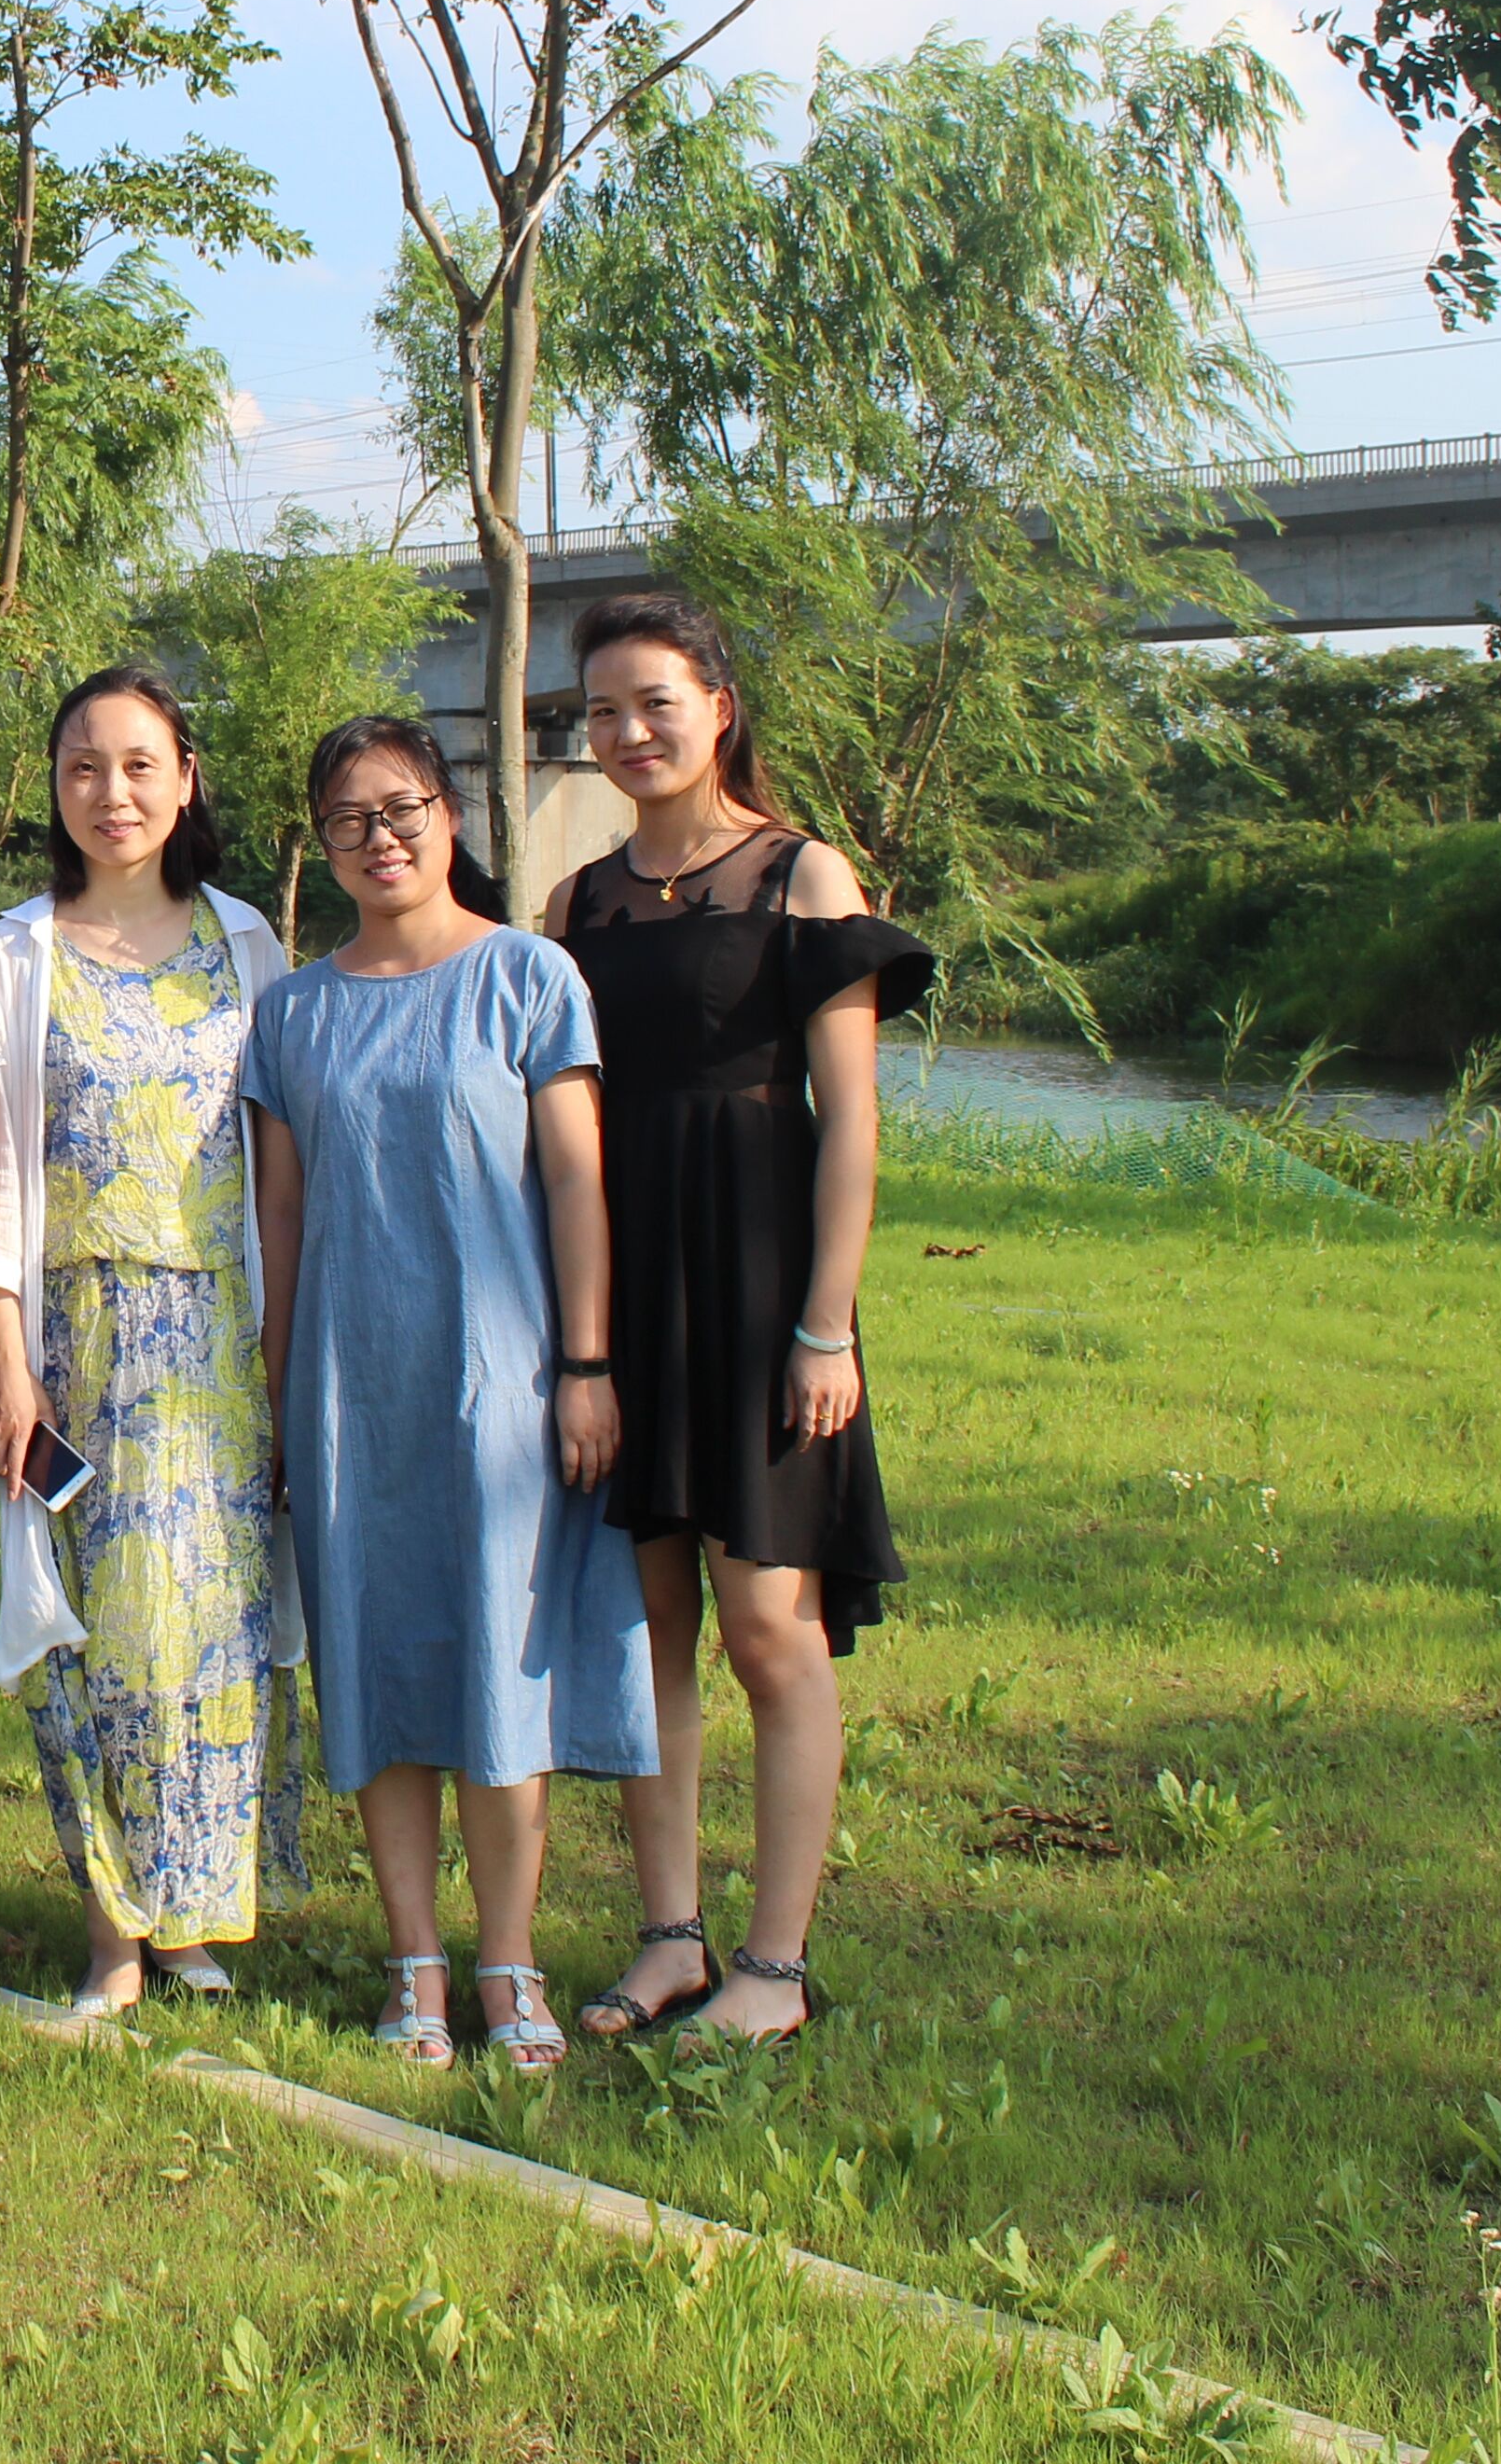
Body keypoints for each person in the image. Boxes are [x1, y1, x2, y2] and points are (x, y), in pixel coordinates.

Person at [240, 715, 651, 2079]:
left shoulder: (529, 977)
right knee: (377, 1660)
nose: (382, 837)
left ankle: (507, 1958)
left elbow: (578, 1182)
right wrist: (281, 1399)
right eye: (350, 818)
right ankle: (413, 1957)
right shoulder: (294, 1011)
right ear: (322, 841)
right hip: (350, 1391)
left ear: (451, 814)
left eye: (404, 807)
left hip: (504, 1383)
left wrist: (586, 1366)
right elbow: (281, 1214)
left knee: (497, 1664)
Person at [553, 593, 928, 2045]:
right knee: (648, 1627)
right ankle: (670, 1942)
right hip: (625, 1289)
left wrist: (826, 1327)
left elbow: (852, 1121)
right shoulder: (579, 905)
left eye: (655, 701)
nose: (628, 731)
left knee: (771, 1625)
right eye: (602, 710)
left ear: (718, 704)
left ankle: (774, 1968)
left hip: (763, 1291)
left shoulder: (799, 875)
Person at [0, 669, 299, 2015]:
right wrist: (3, 1356)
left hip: (219, 1337)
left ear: (186, 779)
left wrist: (287, 1356)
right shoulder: (15, 955)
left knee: (206, 1626)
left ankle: (194, 1915)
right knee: (86, 1632)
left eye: (140, 765)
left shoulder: (248, 943)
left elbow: (277, 1162)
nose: (112, 793)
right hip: (72, 1338)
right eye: (83, 767)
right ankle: (114, 1927)